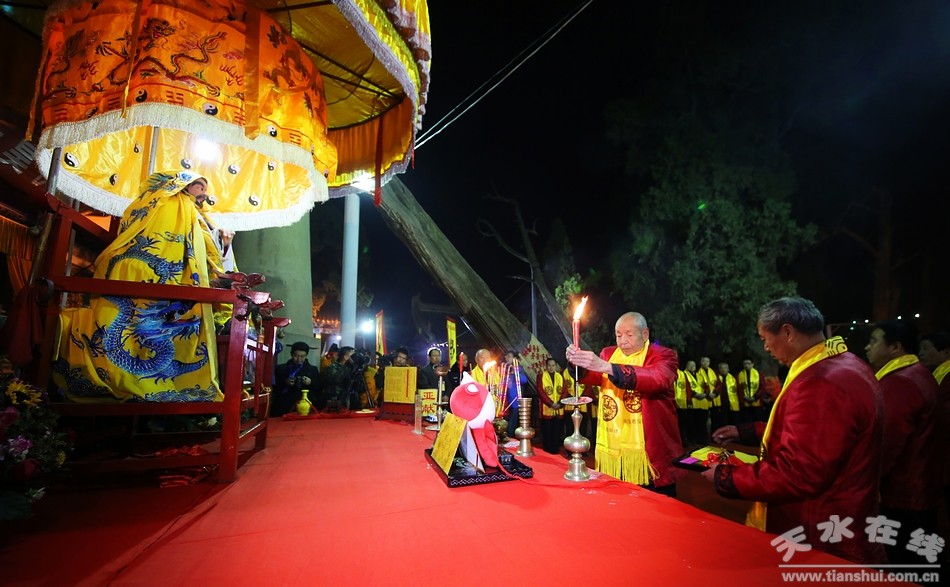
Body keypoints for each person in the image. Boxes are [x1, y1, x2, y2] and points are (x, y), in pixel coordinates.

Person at [703, 296, 884, 565]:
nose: (766, 347)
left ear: (787, 332)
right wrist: (747, 432)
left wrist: (726, 477)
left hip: (821, 530)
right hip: (846, 514)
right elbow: (812, 432)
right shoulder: (842, 363)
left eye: (765, 338)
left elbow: (798, 473)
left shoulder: (822, 381)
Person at [53, 170, 229, 402]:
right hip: (147, 272)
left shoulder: (198, 217)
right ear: (182, 185)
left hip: (173, 282)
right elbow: (157, 239)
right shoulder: (168, 204)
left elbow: (209, 255)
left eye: (205, 188)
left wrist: (222, 257)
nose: (204, 192)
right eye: (200, 186)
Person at [567, 312, 684, 496]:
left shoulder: (663, 355)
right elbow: (592, 376)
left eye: (629, 335)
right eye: (618, 335)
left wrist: (607, 367)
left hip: (651, 446)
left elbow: (657, 379)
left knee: (656, 503)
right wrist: (577, 363)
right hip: (614, 443)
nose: (622, 341)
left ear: (645, 334)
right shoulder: (609, 353)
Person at [865, 320, 942, 565]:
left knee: (902, 562)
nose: (867, 347)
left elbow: (887, 442)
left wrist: (867, 482)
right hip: (920, 489)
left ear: (895, 347)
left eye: (873, 341)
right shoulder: (917, 373)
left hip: (901, 495)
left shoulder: (900, 382)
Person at [272, 341, 319, 416]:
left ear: (306, 355)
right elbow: (274, 387)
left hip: (305, 405)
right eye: (296, 356)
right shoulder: (281, 368)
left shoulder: (312, 370)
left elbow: (318, 387)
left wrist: (310, 382)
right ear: (291, 354)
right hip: (284, 405)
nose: (299, 359)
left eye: (302, 356)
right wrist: (285, 382)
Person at [536, 357, 568, 454]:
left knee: (557, 429)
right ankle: (547, 449)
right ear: (546, 366)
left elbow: (564, 391)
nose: (551, 367)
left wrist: (560, 403)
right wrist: (550, 403)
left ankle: (555, 449)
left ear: (556, 366)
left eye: (553, 365)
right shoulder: (541, 376)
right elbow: (540, 391)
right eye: (549, 365)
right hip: (547, 407)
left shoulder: (560, 376)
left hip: (558, 408)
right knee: (547, 430)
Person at [502, 350, 531, 438]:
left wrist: (515, 372)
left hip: (515, 401)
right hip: (505, 402)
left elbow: (524, 380)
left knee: (512, 423)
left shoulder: (518, 369)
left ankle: (510, 439)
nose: (506, 358)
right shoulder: (504, 368)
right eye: (506, 356)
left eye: (509, 356)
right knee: (504, 422)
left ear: (515, 358)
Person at [322, 346, 356, 411]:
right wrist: (346, 369)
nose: (354, 358)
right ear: (345, 357)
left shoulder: (351, 368)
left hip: (349, 400)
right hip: (336, 399)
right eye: (352, 355)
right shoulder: (333, 367)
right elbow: (335, 379)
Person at [736, 357, 762, 424]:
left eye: (748, 363)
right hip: (745, 403)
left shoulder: (758, 374)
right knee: (747, 422)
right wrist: (744, 397)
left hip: (756, 402)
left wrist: (755, 397)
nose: (746, 365)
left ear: (752, 364)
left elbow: (762, 388)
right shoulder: (739, 374)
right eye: (745, 364)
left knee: (757, 422)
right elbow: (738, 388)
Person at [717, 361, 740, 426]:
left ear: (728, 369)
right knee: (723, 422)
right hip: (721, 404)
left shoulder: (733, 379)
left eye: (725, 368)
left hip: (732, 404)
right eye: (721, 368)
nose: (723, 370)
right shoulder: (716, 378)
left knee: (733, 422)